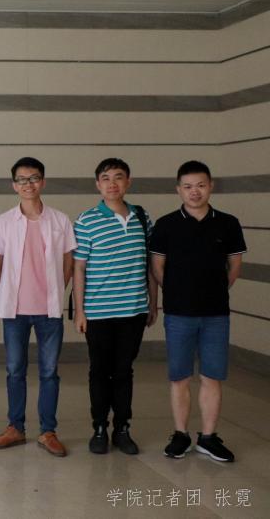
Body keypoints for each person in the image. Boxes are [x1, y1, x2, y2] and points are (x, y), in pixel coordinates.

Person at [151, 160, 246, 463]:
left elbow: (233, 267)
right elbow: (157, 267)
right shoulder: (166, 225)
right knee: (179, 377)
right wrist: (178, 291)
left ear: (211, 186)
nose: (195, 192)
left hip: (216, 314)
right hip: (179, 314)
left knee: (212, 376)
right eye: (188, 186)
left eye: (201, 185)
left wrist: (213, 290)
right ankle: (180, 435)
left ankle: (208, 437)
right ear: (179, 189)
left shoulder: (228, 223)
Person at [0, 157, 76, 457]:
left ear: (43, 182)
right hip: (14, 311)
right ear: (14, 185)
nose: (28, 184)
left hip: (49, 311)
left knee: (49, 372)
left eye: (34, 178)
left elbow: (68, 263)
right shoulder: (2, 223)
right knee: (15, 370)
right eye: (22, 179)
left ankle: (48, 431)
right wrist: (9, 290)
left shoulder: (60, 220)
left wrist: (56, 290)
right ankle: (15, 427)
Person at [72, 158, 156, 456]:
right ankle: (99, 428)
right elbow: (79, 268)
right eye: (105, 178)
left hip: (134, 311)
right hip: (98, 312)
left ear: (128, 182)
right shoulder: (86, 221)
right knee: (99, 371)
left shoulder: (142, 217)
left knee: (123, 371)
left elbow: (150, 264)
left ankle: (122, 428)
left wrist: (153, 303)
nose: (112, 183)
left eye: (118, 177)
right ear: (97, 184)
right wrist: (80, 311)